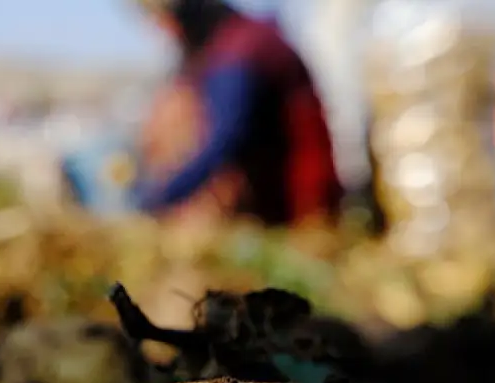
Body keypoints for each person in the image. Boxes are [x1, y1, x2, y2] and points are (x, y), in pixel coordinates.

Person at [133, 0, 344, 227]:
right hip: (275, 209)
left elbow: (226, 136)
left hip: (296, 210)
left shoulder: (239, 52)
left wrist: (161, 197)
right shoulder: (226, 48)